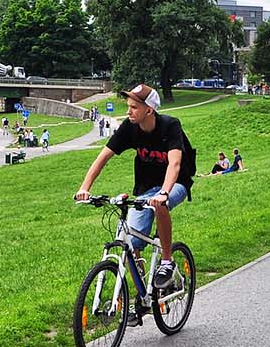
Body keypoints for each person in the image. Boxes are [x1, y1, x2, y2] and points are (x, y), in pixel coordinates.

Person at [74, 83, 194, 304]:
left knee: (161, 205)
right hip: (146, 189)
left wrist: (164, 193)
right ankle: (142, 296)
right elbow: (103, 157)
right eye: (128, 106)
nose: (128, 111)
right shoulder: (129, 128)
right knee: (130, 241)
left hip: (176, 183)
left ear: (149, 109)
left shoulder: (170, 126)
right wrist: (84, 188)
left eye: (134, 107)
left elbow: (175, 164)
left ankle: (167, 261)